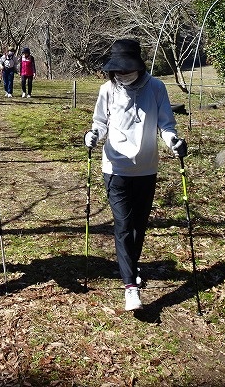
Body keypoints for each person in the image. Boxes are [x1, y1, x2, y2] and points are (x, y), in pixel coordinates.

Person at [83, 38, 187, 312]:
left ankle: (132, 266)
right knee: (123, 224)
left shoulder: (156, 87)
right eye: (117, 70)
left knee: (139, 226)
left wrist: (174, 141)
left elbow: (166, 124)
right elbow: (99, 123)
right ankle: (130, 286)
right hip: (114, 168)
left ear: (139, 67)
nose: (122, 74)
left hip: (146, 168)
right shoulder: (107, 90)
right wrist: (92, 135)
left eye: (126, 69)